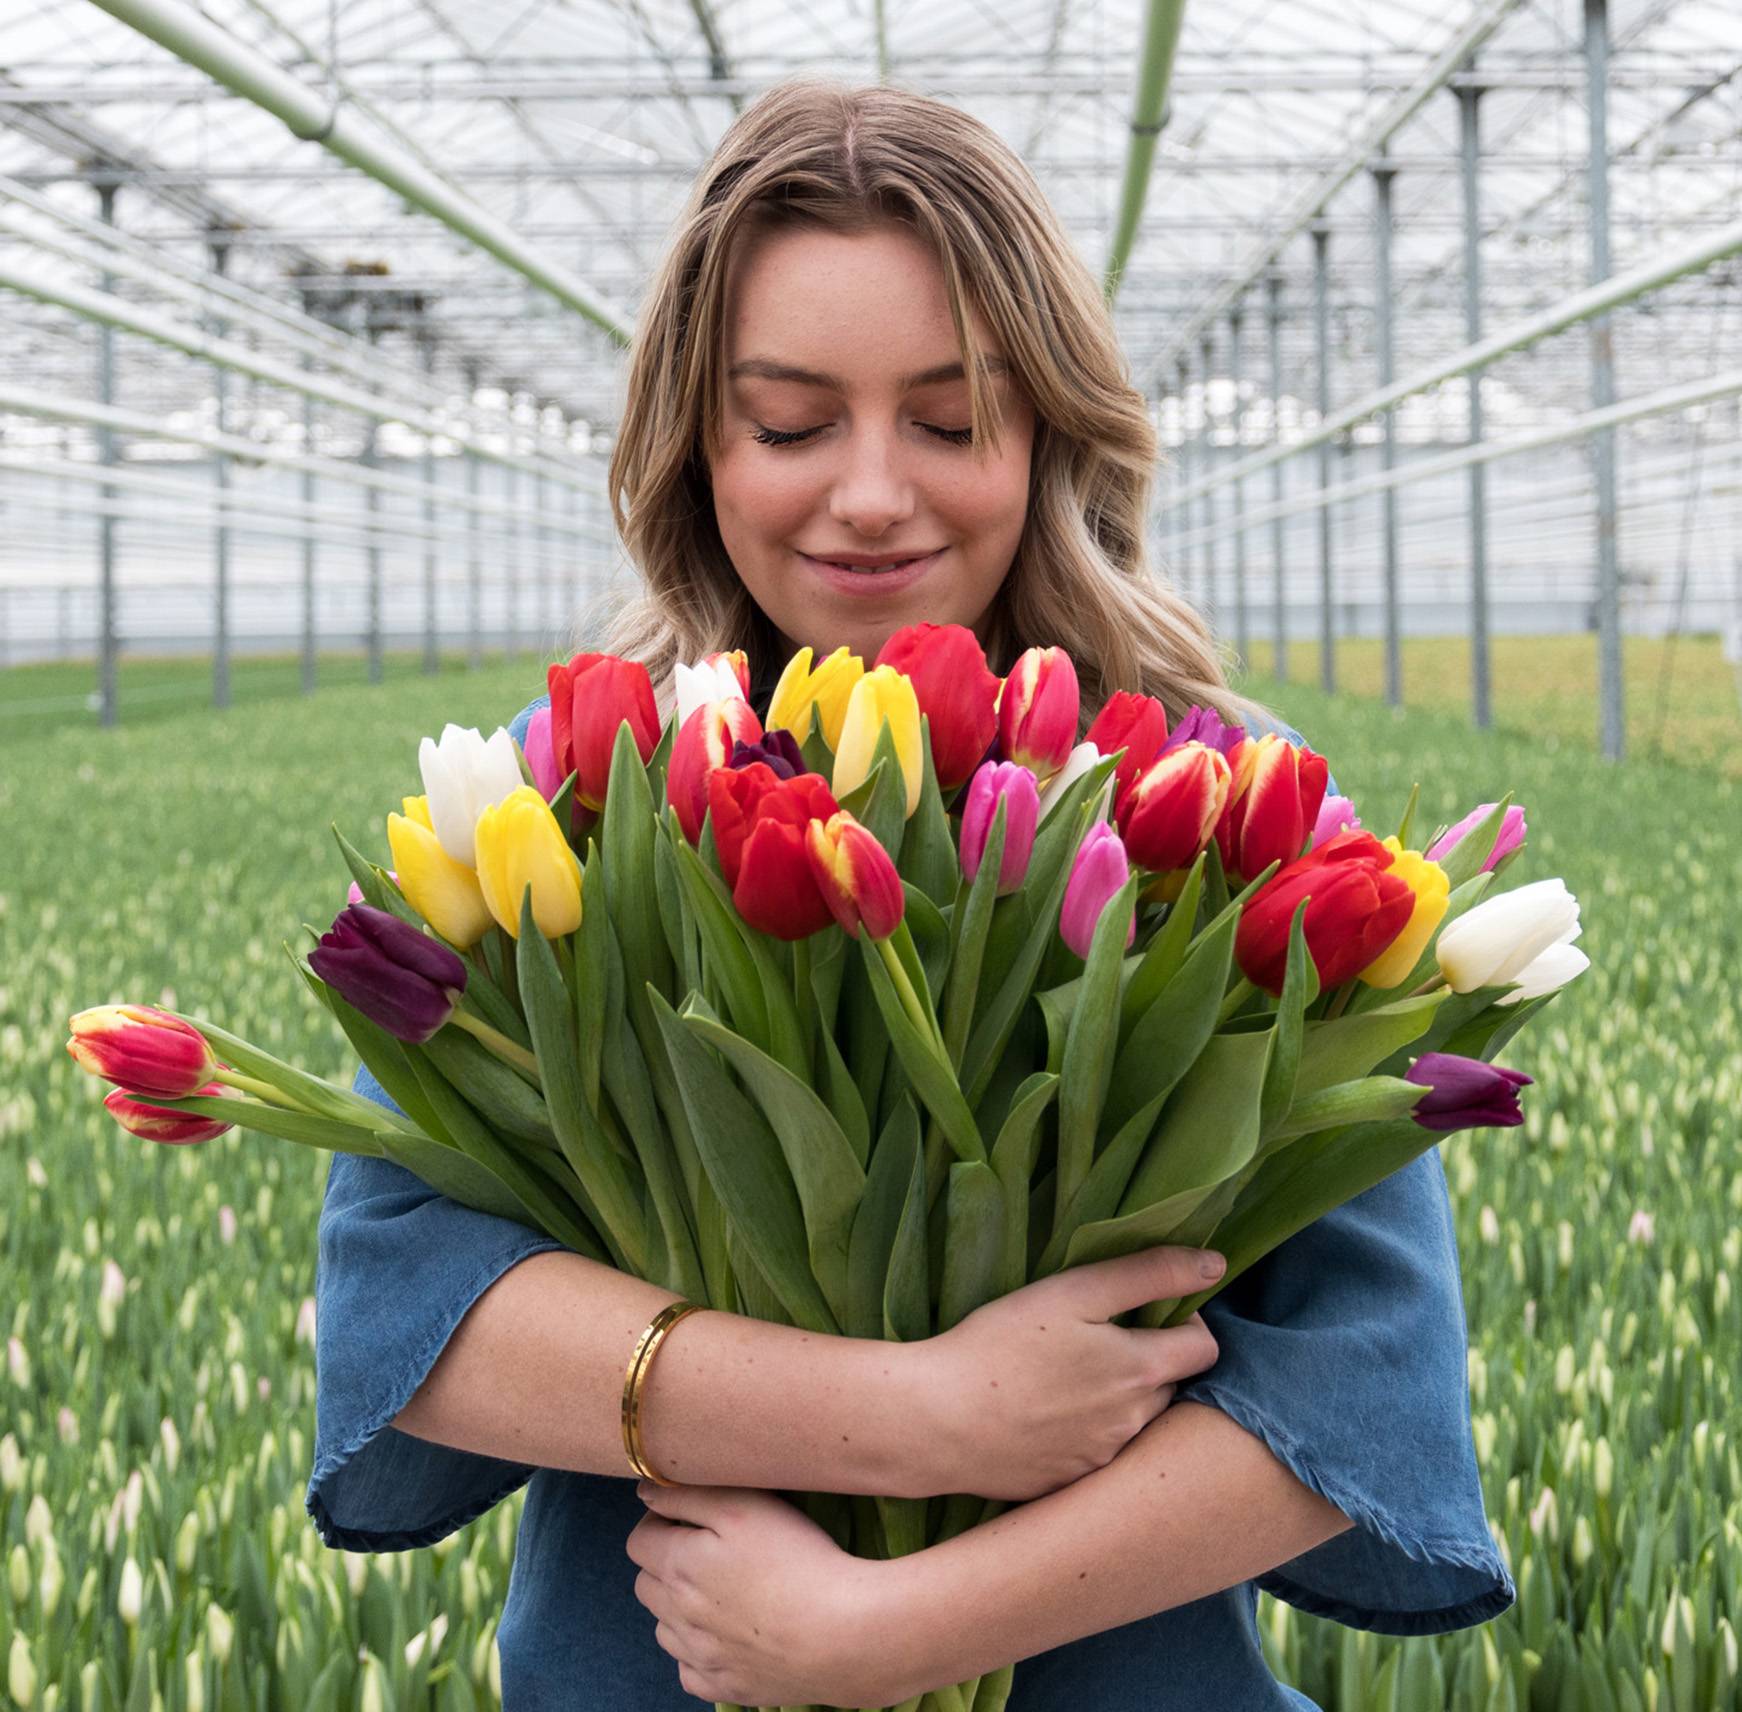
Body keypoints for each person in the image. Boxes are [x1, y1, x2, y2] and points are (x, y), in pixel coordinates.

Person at [306, 77, 1514, 1709]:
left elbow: (1358, 1392)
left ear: (1049, 428)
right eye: (792, 423)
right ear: (697, 440)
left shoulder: (1214, 792)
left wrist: (887, 1635)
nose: (871, 494)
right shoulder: (572, 786)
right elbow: (412, 1306)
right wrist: (919, 1417)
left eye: (952, 422)